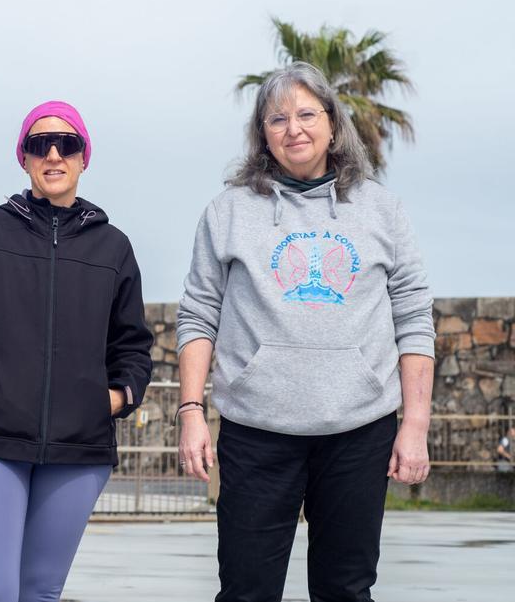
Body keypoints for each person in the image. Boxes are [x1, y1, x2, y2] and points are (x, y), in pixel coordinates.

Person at [176, 62, 435, 602]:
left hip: (359, 433)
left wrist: (414, 425)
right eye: (277, 118)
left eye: (306, 114)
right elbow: (200, 313)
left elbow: (413, 317)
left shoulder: (382, 211)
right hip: (255, 430)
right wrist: (192, 413)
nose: (293, 128)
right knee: (246, 590)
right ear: (262, 135)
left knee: (346, 589)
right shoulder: (227, 212)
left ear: (333, 126)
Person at [0, 100, 154, 602]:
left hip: (80, 447)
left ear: (83, 157)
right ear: (22, 157)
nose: (53, 154)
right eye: (38, 144)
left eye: (66, 144)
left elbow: (132, 343)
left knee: (41, 592)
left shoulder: (113, 247)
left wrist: (113, 400)